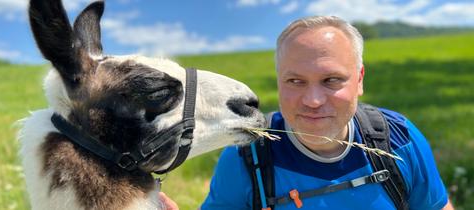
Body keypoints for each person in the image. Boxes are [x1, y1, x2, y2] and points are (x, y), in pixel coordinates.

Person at [164, 16, 454, 209]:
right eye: (295, 81)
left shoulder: (399, 139)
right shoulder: (248, 155)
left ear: (360, 79)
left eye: (331, 80)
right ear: (278, 82)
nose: (313, 100)